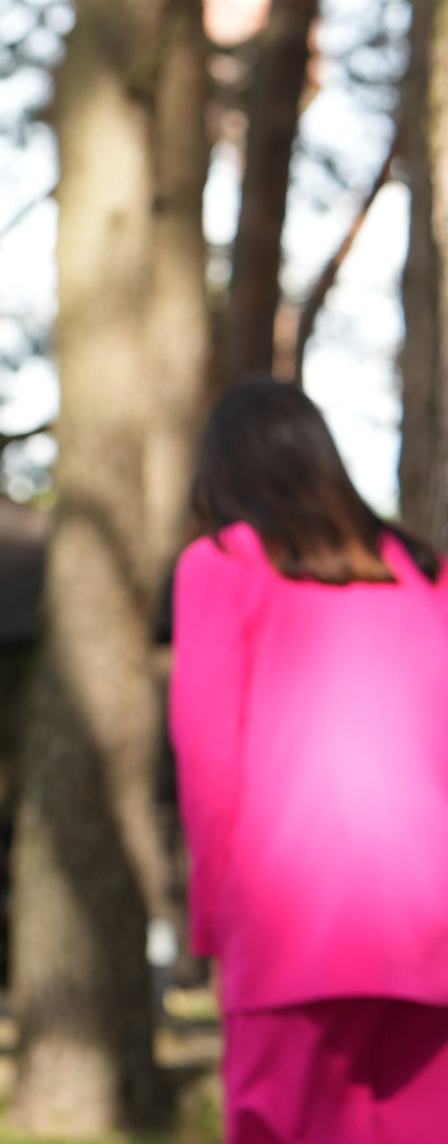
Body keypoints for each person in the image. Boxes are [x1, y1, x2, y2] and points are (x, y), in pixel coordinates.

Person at [172, 378, 448, 1143]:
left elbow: (208, 760)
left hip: (291, 925)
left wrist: (212, 920)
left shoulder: (222, 563)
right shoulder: (424, 572)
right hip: (433, 929)